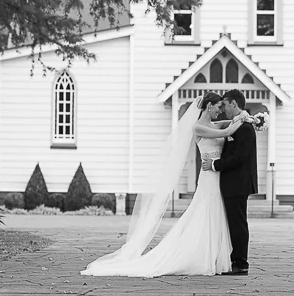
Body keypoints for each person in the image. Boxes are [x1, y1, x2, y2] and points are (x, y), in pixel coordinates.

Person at [82, 92, 248, 277]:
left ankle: (215, 256)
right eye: (218, 107)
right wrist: (244, 118)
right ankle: (200, 256)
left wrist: (245, 117)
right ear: (209, 106)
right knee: (205, 211)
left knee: (217, 214)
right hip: (209, 176)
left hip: (218, 176)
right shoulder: (198, 127)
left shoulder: (214, 124)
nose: (221, 111)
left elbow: (228, 123)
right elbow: (226, 132)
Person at [201, 89, 258, 275]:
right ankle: (233, 260)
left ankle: (241, 263)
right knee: (233, 223)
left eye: (225, 104)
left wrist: (215, 164)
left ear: (234, 103)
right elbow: (222, 128)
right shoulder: (237, 124)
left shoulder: (245, 128)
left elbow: (239, 157)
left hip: (238, 183)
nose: (223, 108)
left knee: (238, 224)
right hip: (231, 183)